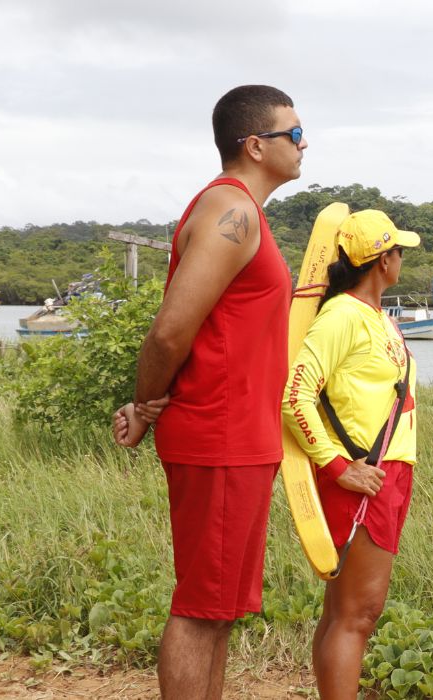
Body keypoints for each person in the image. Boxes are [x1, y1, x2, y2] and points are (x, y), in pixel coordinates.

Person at [111, 84, 307, 699]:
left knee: (219, 611)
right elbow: (170, 331)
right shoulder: (234, 212)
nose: (305, 144)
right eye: (294, 133)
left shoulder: (243, 210)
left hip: (241, 439)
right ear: (255, 144)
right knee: (201, 610)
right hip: (220, 435)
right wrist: (145, 406)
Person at [281, 209, 420, 699]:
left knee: (343, 613)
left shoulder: (375, 316)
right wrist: (337, 466)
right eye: (399, 251)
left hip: (387, 474)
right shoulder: (341, 316)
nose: (402, 258)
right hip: (362, 478)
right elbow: (293, 397)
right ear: (383, 261)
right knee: (357, 616)